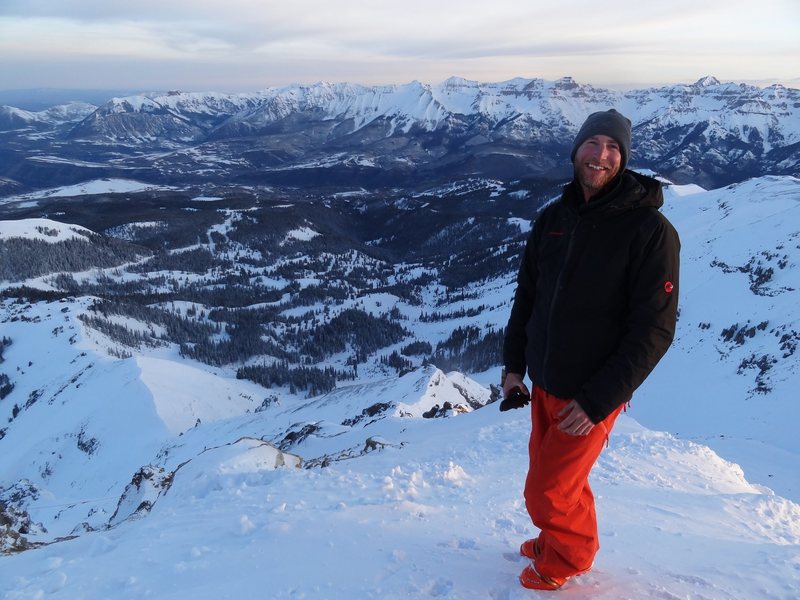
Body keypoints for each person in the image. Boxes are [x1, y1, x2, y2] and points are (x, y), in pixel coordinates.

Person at [501, 109, 680, 591]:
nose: (601, 155)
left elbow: (654, 331)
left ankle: (567, 559)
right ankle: (555, 540)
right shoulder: (555, 219)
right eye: (593, 143)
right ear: (576, 149)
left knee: (546, 494)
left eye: (613, 148)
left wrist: (599, 400)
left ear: (623, 159)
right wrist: (515, 366)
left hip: (591, 392)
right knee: (554, 482)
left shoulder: (649, 231)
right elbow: (529, 297)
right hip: (545, 381)